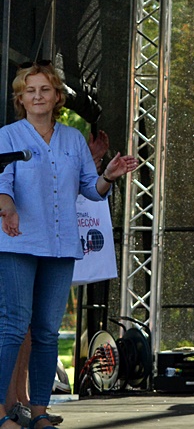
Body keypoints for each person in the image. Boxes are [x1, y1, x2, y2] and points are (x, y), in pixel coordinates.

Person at [0, 62, 137, 429]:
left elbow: (91, 189)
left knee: (46, 331)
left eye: (44, 90)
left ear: (57, 96)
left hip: (61, 246)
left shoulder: (73, 139)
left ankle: (39, 411)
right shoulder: (8, 136)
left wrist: (109, 175)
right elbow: (2, 184)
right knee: (13, 326)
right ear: (20, 98)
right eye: (30, 91)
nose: (37, 96)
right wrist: (7, 208)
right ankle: (0, 413)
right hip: (18, 242)